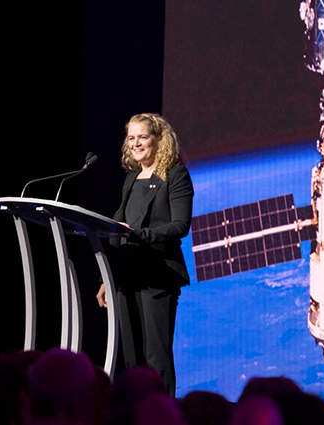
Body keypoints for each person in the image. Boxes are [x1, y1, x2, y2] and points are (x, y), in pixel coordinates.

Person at [96, 113, 194, 396]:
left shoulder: (175, 174)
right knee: (132, 360)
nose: (136, 143)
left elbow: (180, 226)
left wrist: (138, 233)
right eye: (131, 138)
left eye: (142, 137)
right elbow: (118, 228)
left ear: (158, 140)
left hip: (157, 276)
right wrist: (108, 278)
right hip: (127, 276)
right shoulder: (131, 178)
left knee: (156, 358)